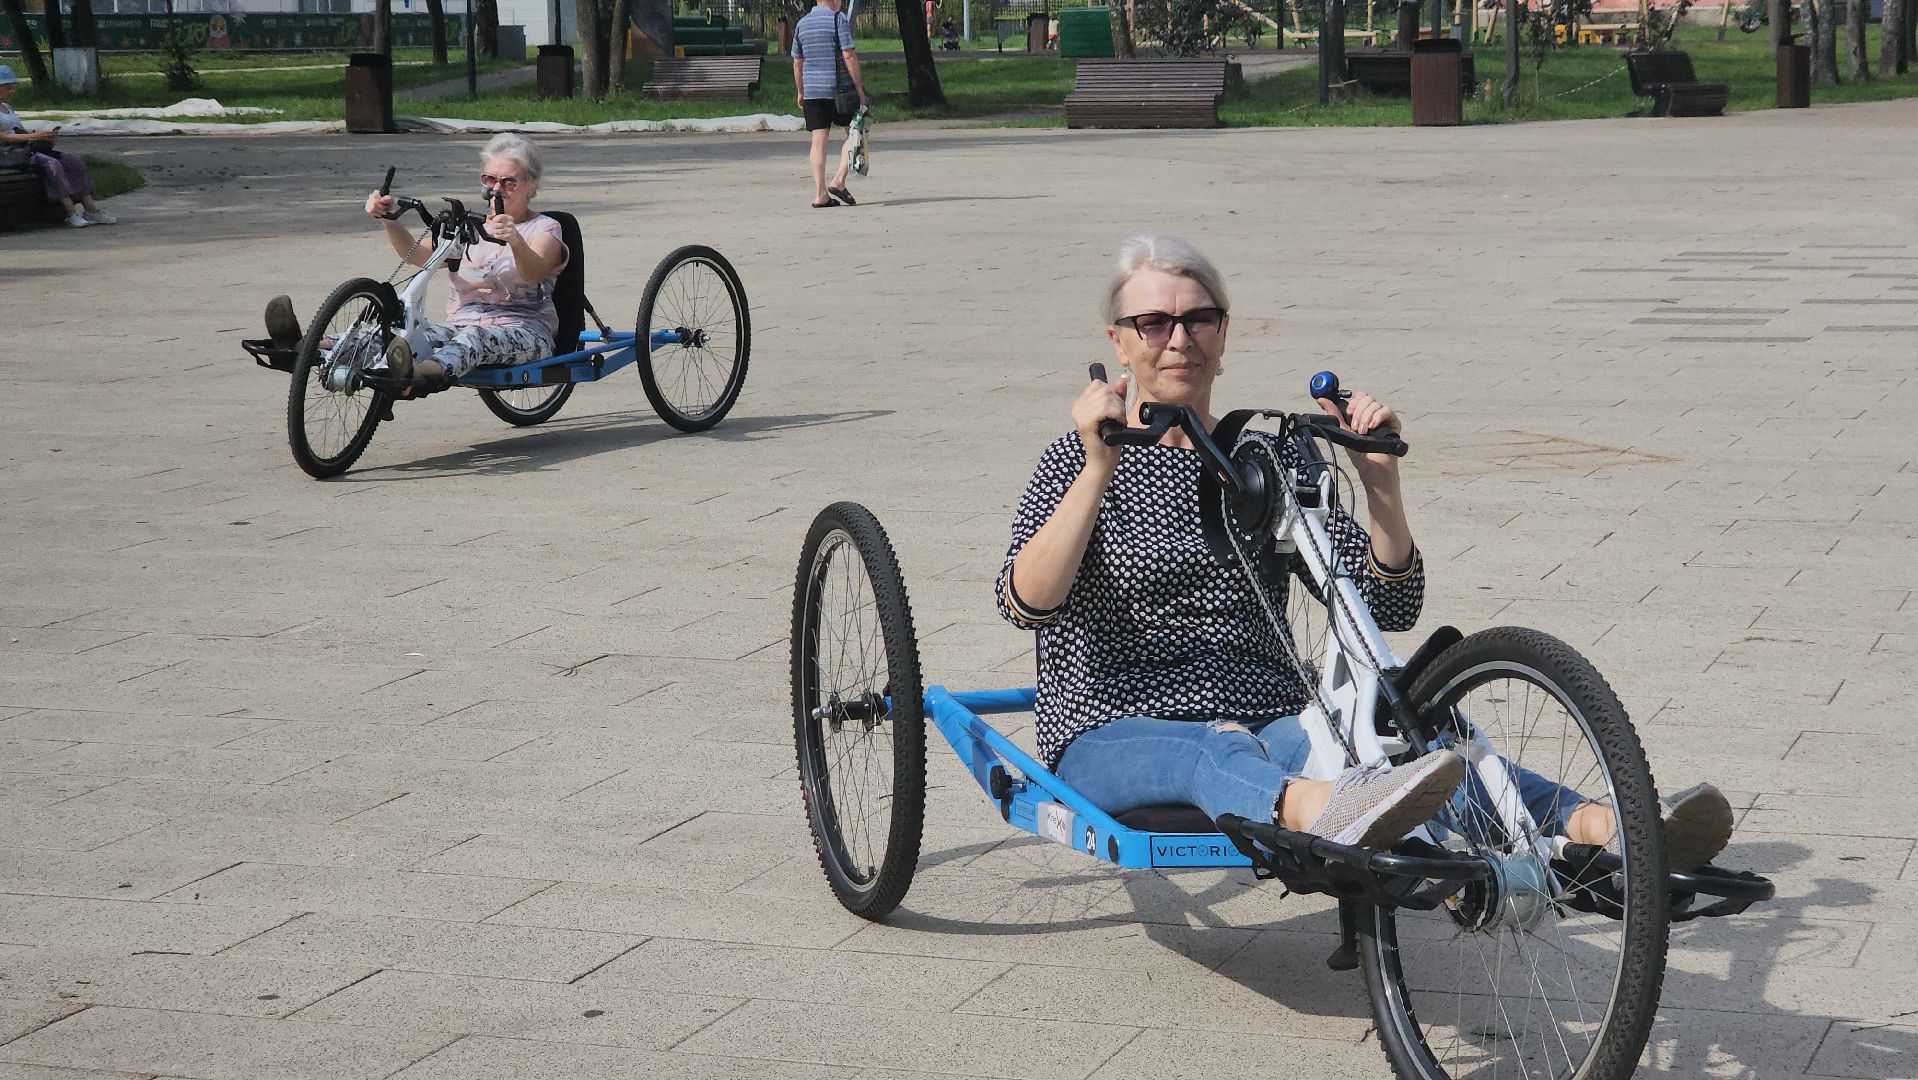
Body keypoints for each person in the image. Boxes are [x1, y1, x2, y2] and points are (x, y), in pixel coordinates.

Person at [995, 234, 1736, 865]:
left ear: (1224, 333)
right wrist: (1101, 465)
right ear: (1117, 341)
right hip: (1114, 728)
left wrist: (1379, 485)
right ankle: (1330, 809)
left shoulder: (1262, 463)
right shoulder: (1076, 460)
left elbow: (1389, 603)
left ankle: (1611, 829)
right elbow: (1027, 601)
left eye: (1199, 319)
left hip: (1272, 720)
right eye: (1153, 322)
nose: (1179, 339)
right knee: (1213, 749)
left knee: (1415, 742)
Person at [266, 134, 568, 389]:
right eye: (489, 180)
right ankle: (305, 346)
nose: (496, 189)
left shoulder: (545, 229)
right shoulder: (471, 229)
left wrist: (514, 239)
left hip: (526, 331)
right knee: (395, 335)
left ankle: (417, 373)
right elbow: (414, 254)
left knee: (474, 339)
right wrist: (388, 220)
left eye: (508, 182)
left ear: (531, 185)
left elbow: (534, 273)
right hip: (461, 325)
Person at [0, 65, 117, 229]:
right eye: (7, 87)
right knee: (52, 165)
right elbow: (3, 137)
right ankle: (71, 213)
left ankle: (91, 209)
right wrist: (33, 136)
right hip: (9, 152)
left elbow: (18, 130)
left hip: (26, 146)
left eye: (12, 87)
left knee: (74, 161)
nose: (11, 91)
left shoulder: (7, 108)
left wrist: (41, 134)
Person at [791, 0, 868, 208]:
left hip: (812, 92)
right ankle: (839, 181)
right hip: (838, 90)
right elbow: (848, 54)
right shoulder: (838, 20)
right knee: (855, 131)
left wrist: (801, 91)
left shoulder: (802, 23)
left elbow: (797, 61)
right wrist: (859, 89)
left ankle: (820, 194)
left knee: (818, 141)